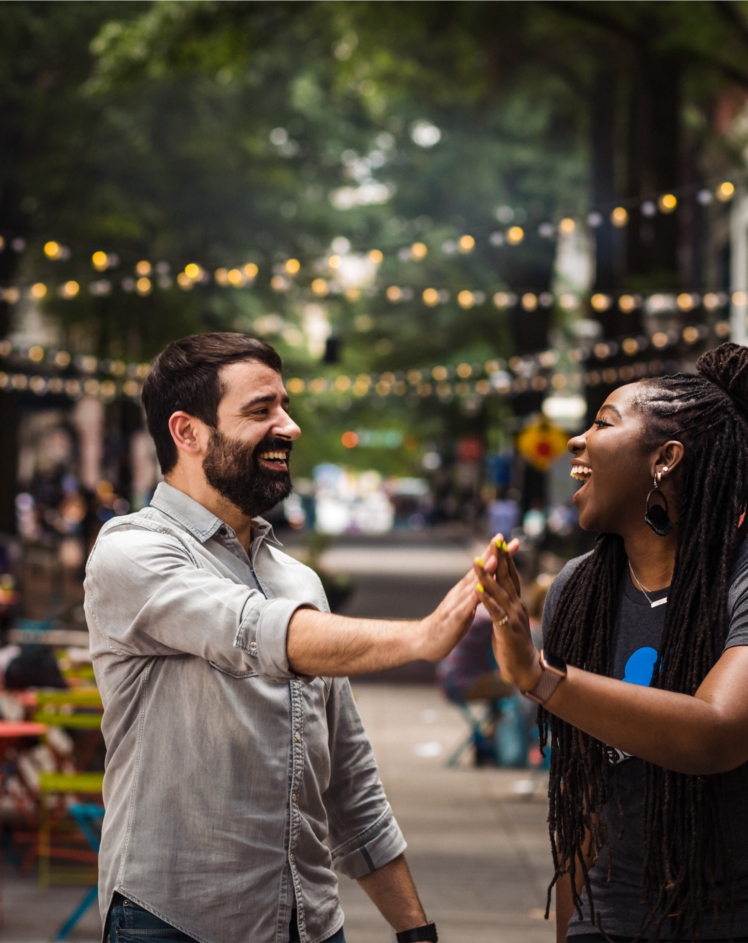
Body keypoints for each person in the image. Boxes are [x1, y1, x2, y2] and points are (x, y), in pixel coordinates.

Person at [85, 333, 480, 943]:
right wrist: (418, 640)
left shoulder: (296, 580)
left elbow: (348, 779)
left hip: (312, 924)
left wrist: (415, 932)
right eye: (260, 410)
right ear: (187, 433)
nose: (289, 427)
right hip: (173, 923)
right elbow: (251, 630)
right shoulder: (130, 552)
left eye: (284, 406)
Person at [471, 343, 748, 942]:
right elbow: (585, 796)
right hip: (623, 906)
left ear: (665, 459)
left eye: (603, 423)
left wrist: (541, 676)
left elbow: (717, 732)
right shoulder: (579, 590)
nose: (577, 442)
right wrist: (574, 926)